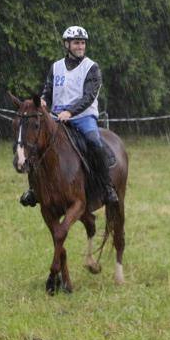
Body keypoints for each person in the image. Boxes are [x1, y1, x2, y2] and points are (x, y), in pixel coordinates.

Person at [19, 26, 119, 207]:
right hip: (56, 117)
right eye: (76, 43)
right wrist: (42, 100)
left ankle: (106, 186)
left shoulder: (92, 68)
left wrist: (70, 112)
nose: (80, 46)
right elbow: (48, 90)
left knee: (94, 141)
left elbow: (89, 96)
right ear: (67, 44)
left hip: (83, 116)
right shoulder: (56, 67)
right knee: (35, 144)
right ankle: (34, 189)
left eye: (82, 43)